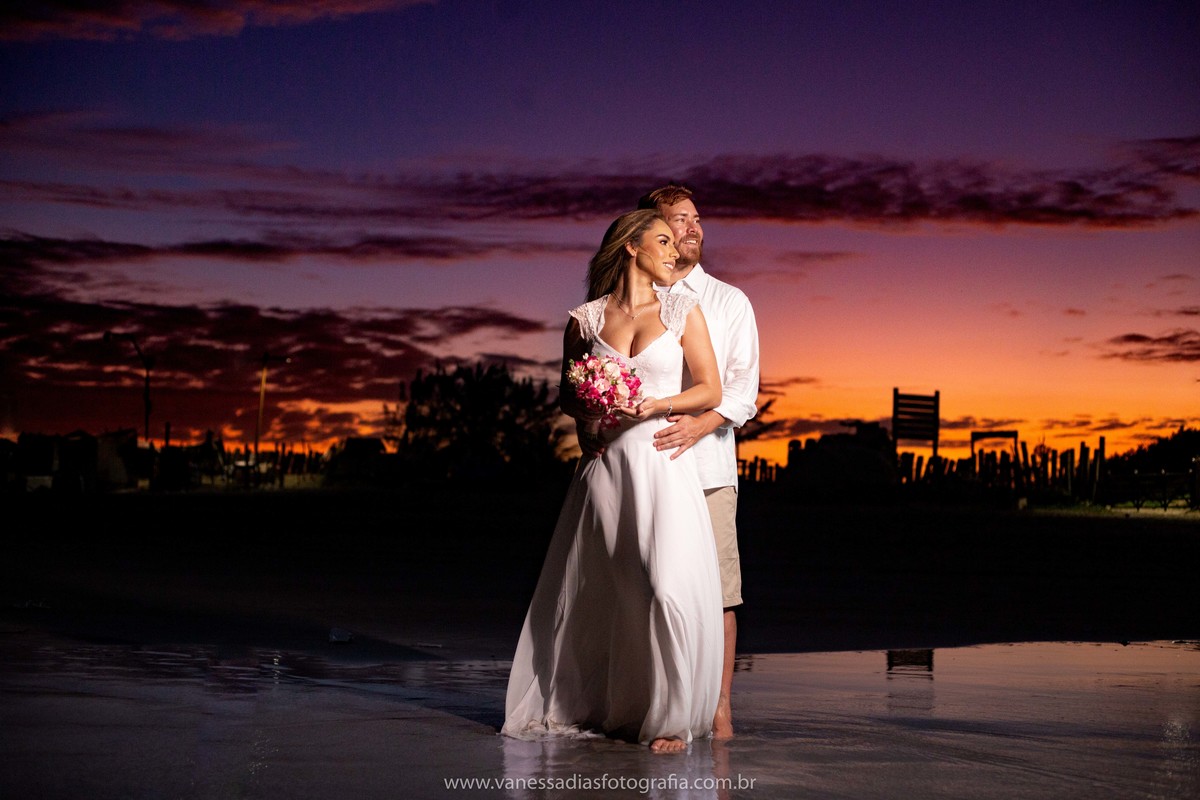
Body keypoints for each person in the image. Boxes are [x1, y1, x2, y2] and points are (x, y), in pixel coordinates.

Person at [502, 209, 724, 753]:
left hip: (660, 464)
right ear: (630, 246)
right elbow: (567, 394)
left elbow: (712, 391)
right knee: (609, 590)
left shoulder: (682, 310)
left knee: (665, 586)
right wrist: (588, 418)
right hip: (605, 471)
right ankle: (612, 705)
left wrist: (659, 403)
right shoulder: (584, 320)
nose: (675, 251)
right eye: (664, 240)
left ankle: (672, 718)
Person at [641, 184, 760, 740]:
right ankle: (659, 705)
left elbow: (743, 391)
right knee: (655, 588)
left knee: (717, 592)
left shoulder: (728, 301)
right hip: (650, 467)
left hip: (709, 468)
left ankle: (719, 708)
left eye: (695, 218)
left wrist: (703, 423)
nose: (692, 228)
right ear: (651, 233)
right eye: (677, 221)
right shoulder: (636, 300)